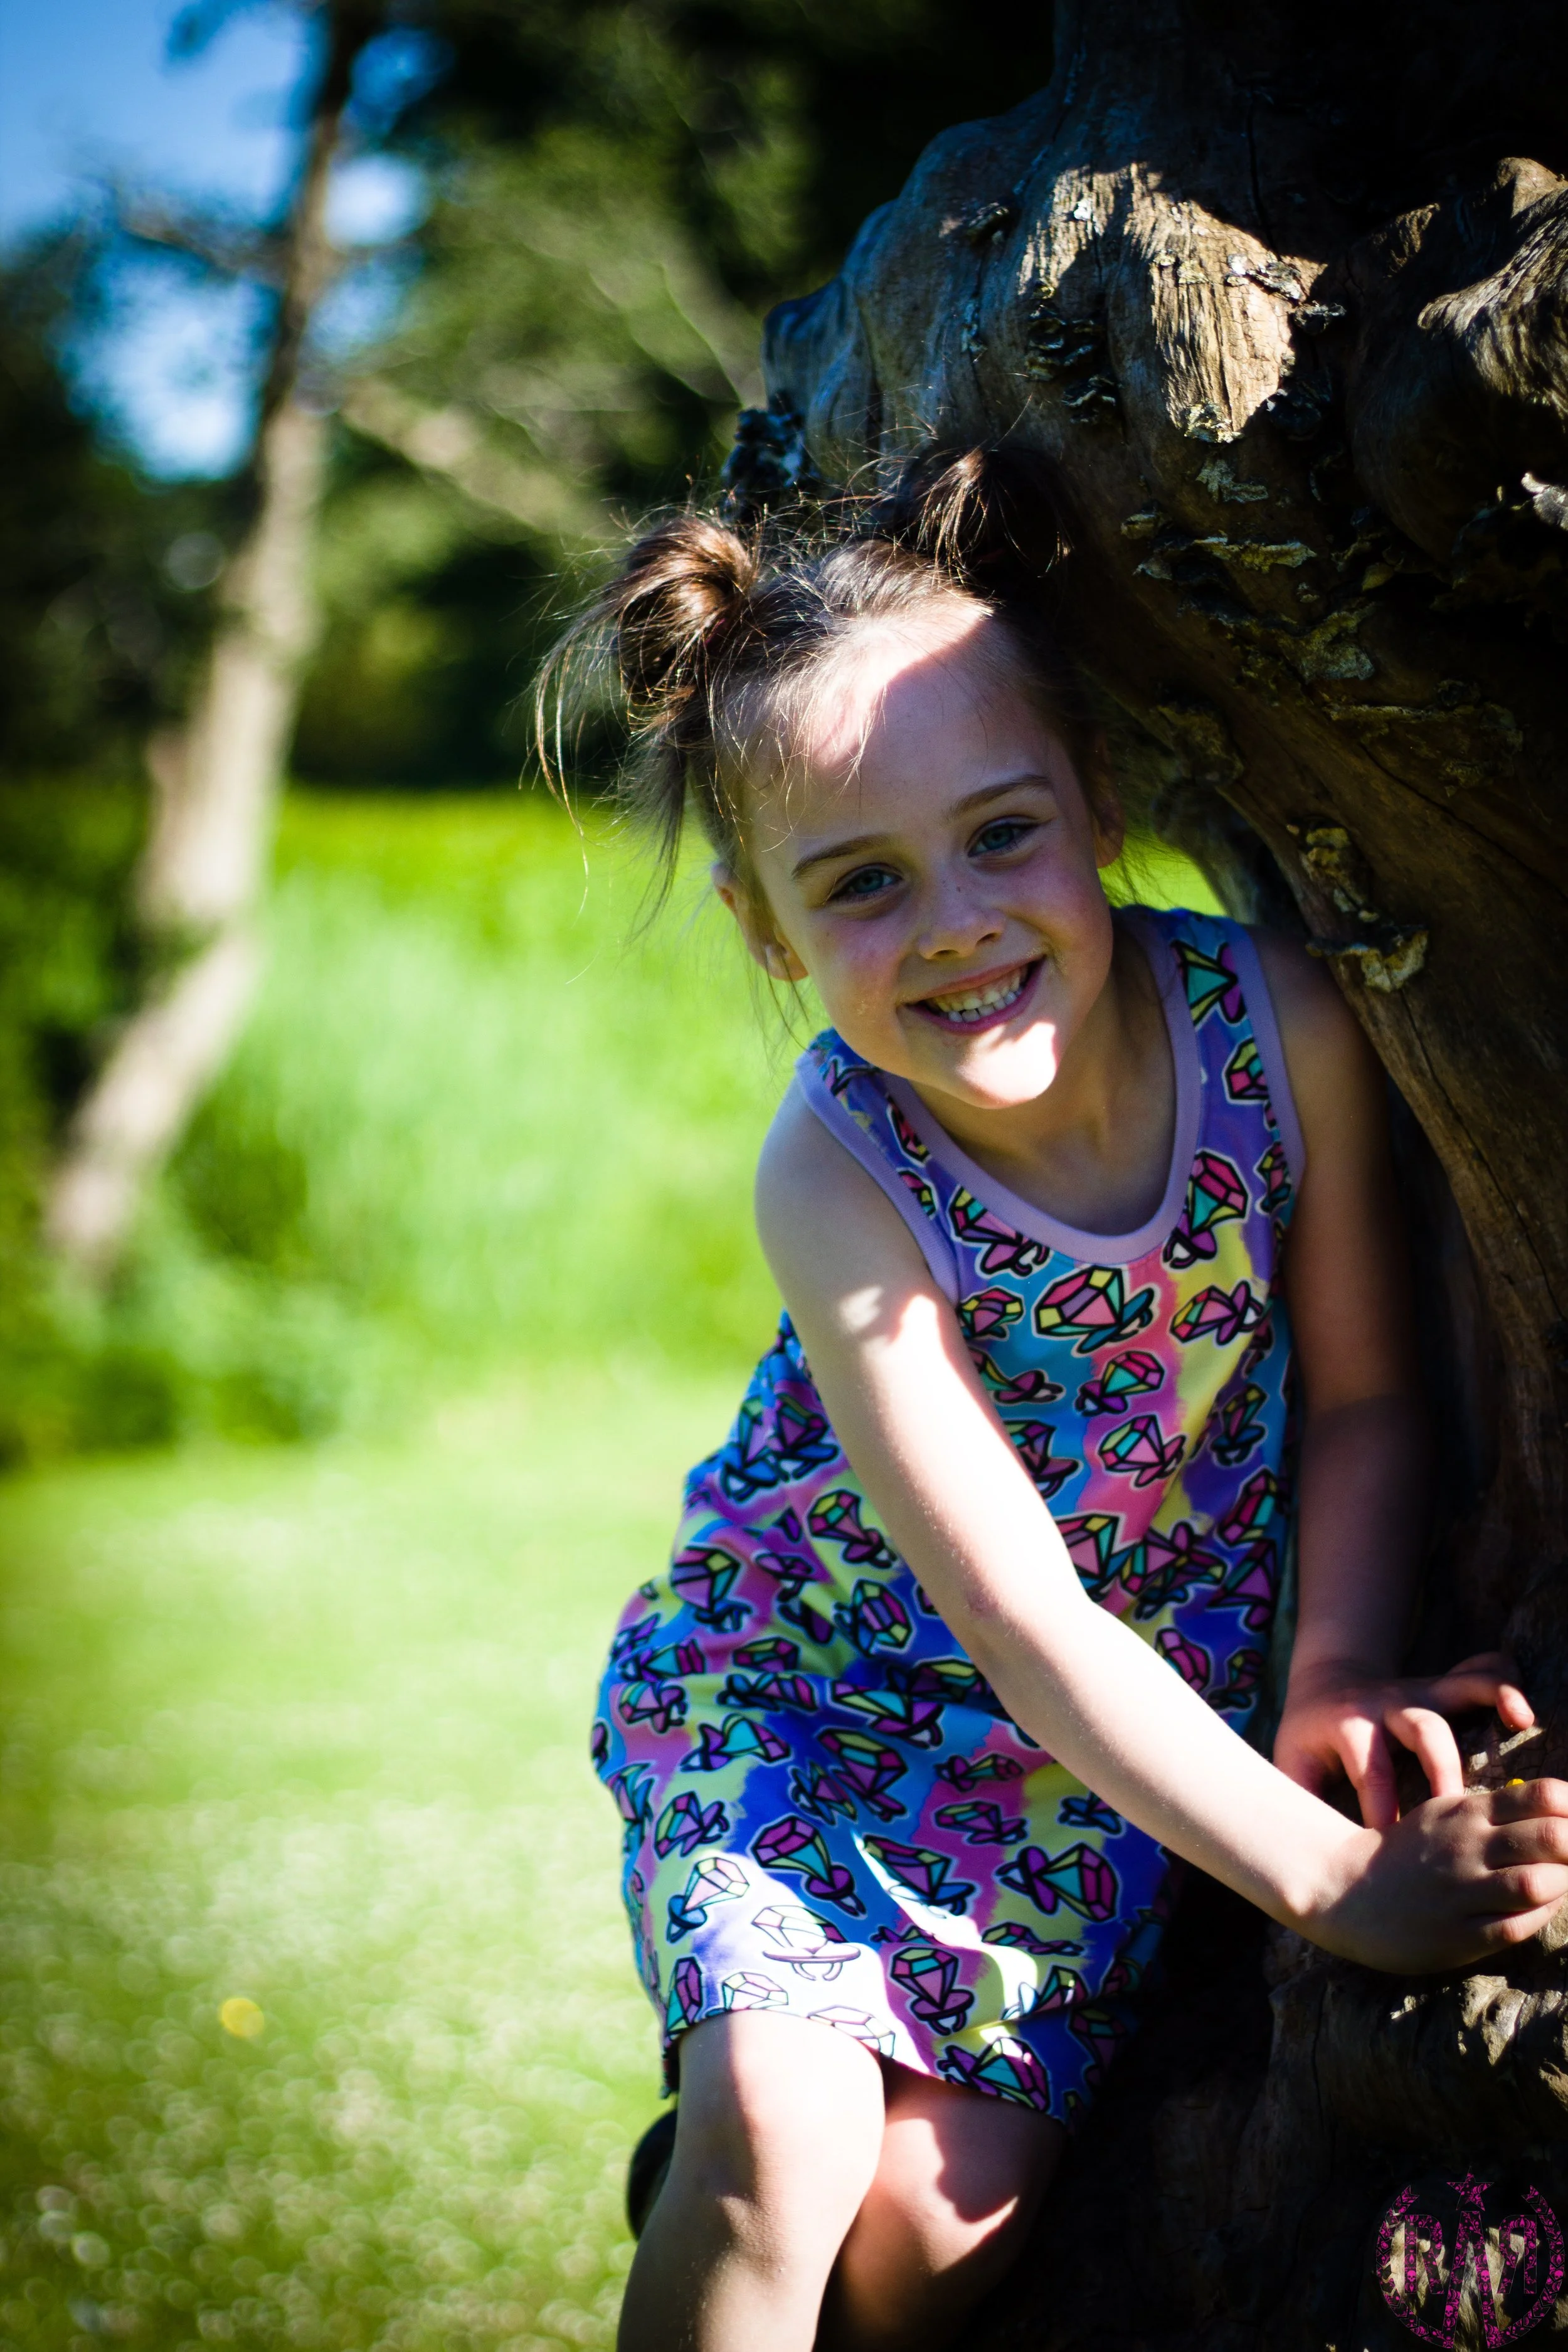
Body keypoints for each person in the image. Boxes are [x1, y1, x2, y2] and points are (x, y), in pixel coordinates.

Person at [548, 445, 1568, 2352]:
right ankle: (751, 2108)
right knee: (778, 2150)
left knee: (918, 2254)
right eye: (861, 883)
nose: (953, 920)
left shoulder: (1278, 1029)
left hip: (1103, 1744)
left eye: (1001, 834)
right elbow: (1015, 1611)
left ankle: (754, 2148)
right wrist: (1337, 1877)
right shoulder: (837, 1167)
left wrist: (1334, 1676)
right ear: (767, 930)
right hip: (814, 1690)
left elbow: (1362, 1401)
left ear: (1097, 803)